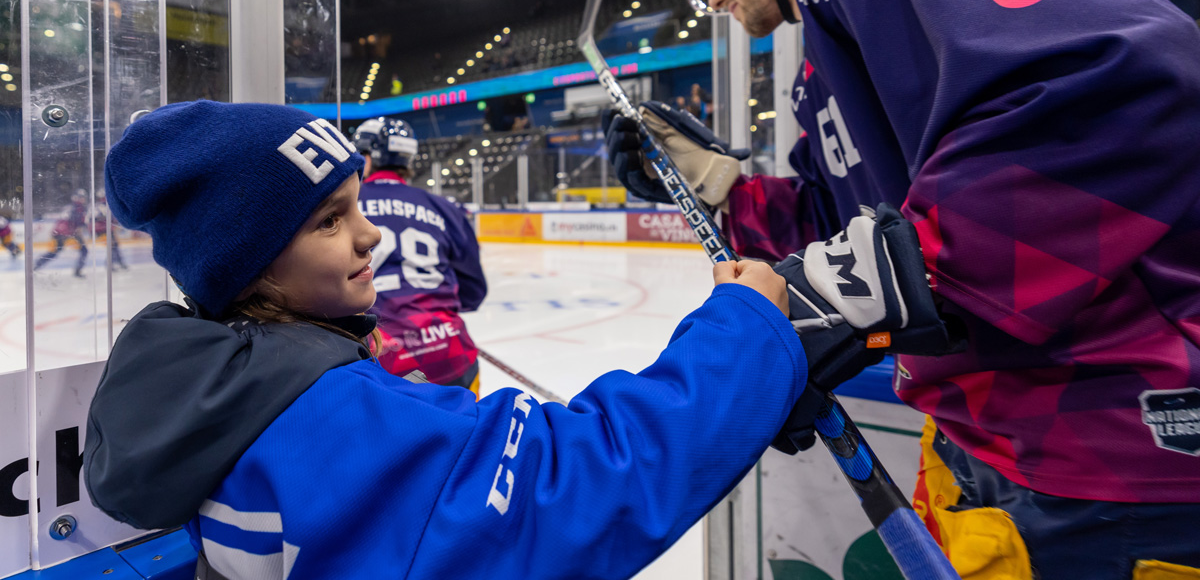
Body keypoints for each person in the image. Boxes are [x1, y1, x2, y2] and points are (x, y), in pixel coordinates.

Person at [606, 0, 1200, 579]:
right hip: (989, 445)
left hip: (1109, 449)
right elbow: (848, 220)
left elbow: (1125, 93)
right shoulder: (820, 66)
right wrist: (719, 190)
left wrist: (856, 286)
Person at [84, 100, 940, 579]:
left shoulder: (216, 394)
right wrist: (755, 329)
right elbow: (574, 484)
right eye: (328, 220)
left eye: (357, 205)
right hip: (441, 365)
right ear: (252, 263)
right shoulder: (330, 416)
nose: (370, 236)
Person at [353, 116, 487, 397]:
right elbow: (473, 291)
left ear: (366, 158)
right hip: (454, 358)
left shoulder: (345, 207)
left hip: (382, 367)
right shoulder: (444, 208)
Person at [35, 189, 90, 277]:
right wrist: (81, 227)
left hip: (59, 233)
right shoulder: (79, 208)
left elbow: (64, 220)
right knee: (84, 250)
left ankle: (35, 266)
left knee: (53, 253)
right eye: (82, 197)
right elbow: (76, 221)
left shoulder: (69, 206)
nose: (83, 199)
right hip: (67, 233)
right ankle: (78, 271)